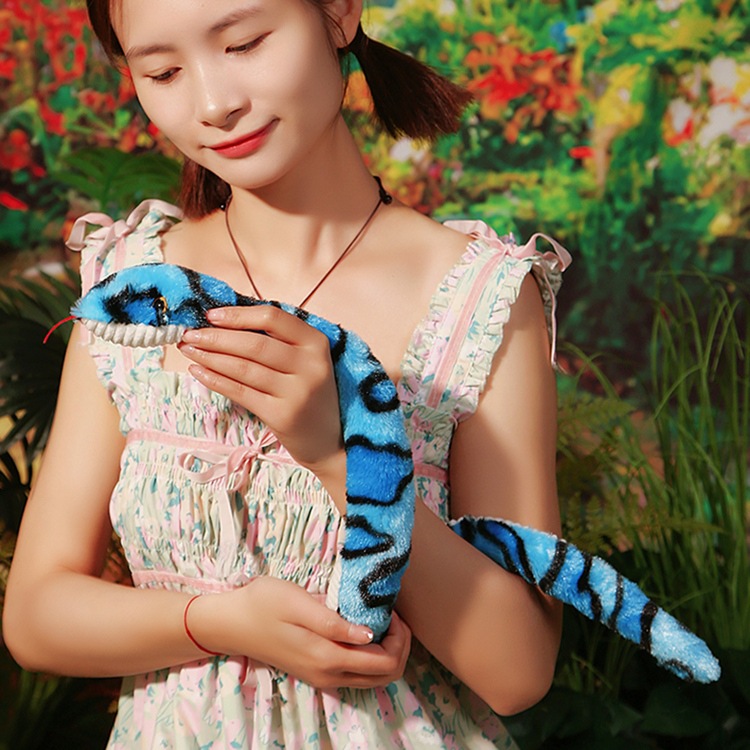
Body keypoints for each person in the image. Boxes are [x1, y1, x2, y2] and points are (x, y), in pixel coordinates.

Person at [4, 0, 565, 746]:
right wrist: (222, 622)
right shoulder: (136, 289)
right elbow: (36, 617)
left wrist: (337, 451)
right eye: (163, 72)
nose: (214, 103)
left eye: (244, 43)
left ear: (338, 13)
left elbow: (518, 670)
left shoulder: (480, 298)